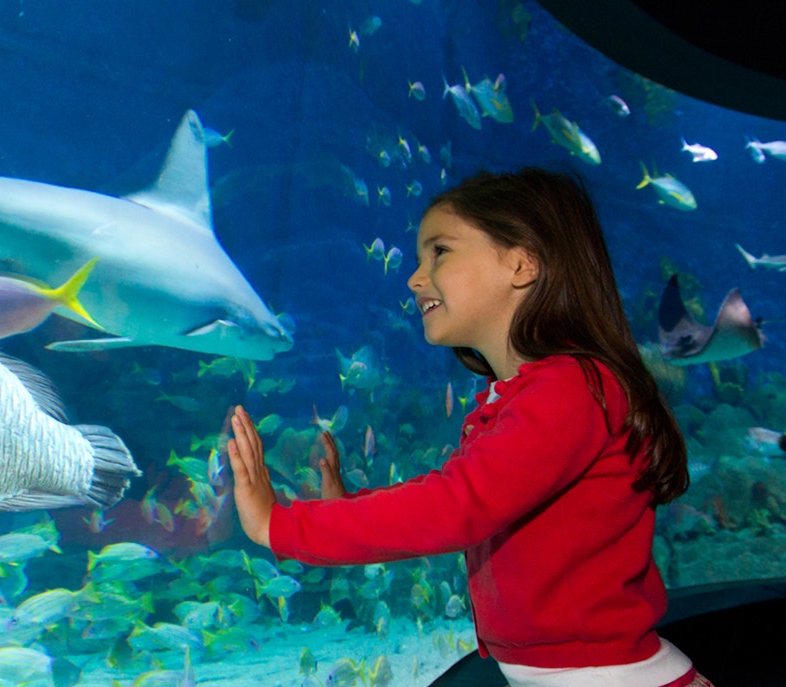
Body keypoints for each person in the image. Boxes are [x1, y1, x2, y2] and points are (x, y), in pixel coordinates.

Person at [227, 168, 712, 687]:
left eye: (440, 251)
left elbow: (456, 506)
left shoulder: (572, 389)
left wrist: (280, 525)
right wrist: (347, 512)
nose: (415, 277)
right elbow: (462, 498)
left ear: (522, 263)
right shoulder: (519, 397)